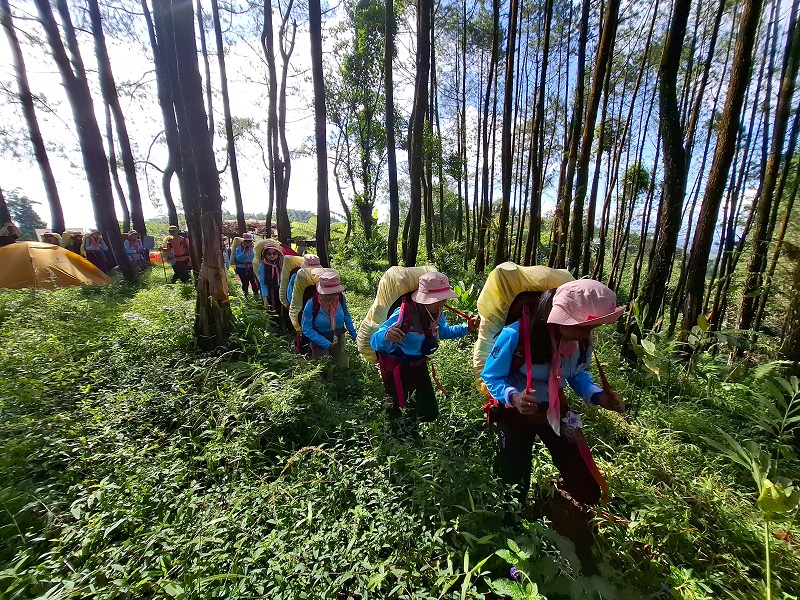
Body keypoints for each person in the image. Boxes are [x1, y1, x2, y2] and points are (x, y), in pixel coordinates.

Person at [480, 279, 625, 518]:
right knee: (512, 487)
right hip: (515, 414)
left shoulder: (579, 341)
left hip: (554, 410)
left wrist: (599, 397)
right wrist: (514, 397)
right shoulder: (515, 334)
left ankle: (565, 510)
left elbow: (578, 373)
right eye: (581, 326)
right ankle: (510, 525)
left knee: (586, 487)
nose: (586, 333)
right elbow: (491, 376)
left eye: (590, 328)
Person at [371, 271, 479, 429]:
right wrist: (386, 335)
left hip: (419, 366)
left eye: (444, 298)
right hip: (399, 369)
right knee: (401, 412)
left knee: (429, 412)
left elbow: (443, 332)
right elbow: (374, 340)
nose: (442, 303)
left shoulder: (436, 312)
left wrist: (467, 328)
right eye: (437, 299)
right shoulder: (403, 313)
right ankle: (402, 443)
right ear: (423, 298)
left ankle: (409, 434)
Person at [301, 271, 357, 371]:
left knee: (342, 366)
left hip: (338, 335)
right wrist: (324, 342)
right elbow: (306, 328)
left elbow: (347, 316)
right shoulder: (311, 304)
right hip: (319, 339)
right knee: (323, 369)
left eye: (334, 294)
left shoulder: (340, 298)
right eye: (327, 294)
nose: (331, 297)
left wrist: (354, 334)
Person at [259, 240, 283, 311]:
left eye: (274, 253)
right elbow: (263, 283)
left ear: (277, 254)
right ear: (265, 255)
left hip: (280, 291)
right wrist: (265, 299)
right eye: (269, 254)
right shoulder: (262, 265)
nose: (272, 255)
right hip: (269, 291)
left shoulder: (281, 264)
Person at [234, 232, 259, 297]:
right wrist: (244, 253)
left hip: (250, 268)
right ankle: (246, 297)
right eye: (246, 241)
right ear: (243, 241)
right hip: (241, 268)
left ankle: (256, 297)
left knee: (253, 282)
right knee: (245, 283)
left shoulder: (253, 249)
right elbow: (238, 258)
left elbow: (255, 258)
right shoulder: (239, 248)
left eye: (249, 241)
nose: (248, 243)